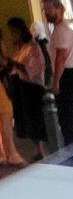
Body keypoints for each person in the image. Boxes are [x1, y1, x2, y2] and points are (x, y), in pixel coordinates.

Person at [41, 0, 73, 146]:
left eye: (48, 9)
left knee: (68, 117)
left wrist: (56, 81)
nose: (46, 13)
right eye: (45, 10)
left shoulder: (60, 31)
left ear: (58, 9)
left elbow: (61, 58)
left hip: (68, 76)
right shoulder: (68, 31)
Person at [2, 17, 45, 160]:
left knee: (34, 117)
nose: (12, 35)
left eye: (14, 31)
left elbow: (30, 69)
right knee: (27, 119)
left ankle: (41, 150)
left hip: (31, 87)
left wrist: (12, 62)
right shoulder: (20, 49)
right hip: (21, 87)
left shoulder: (33, 47)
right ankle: (38, 149)